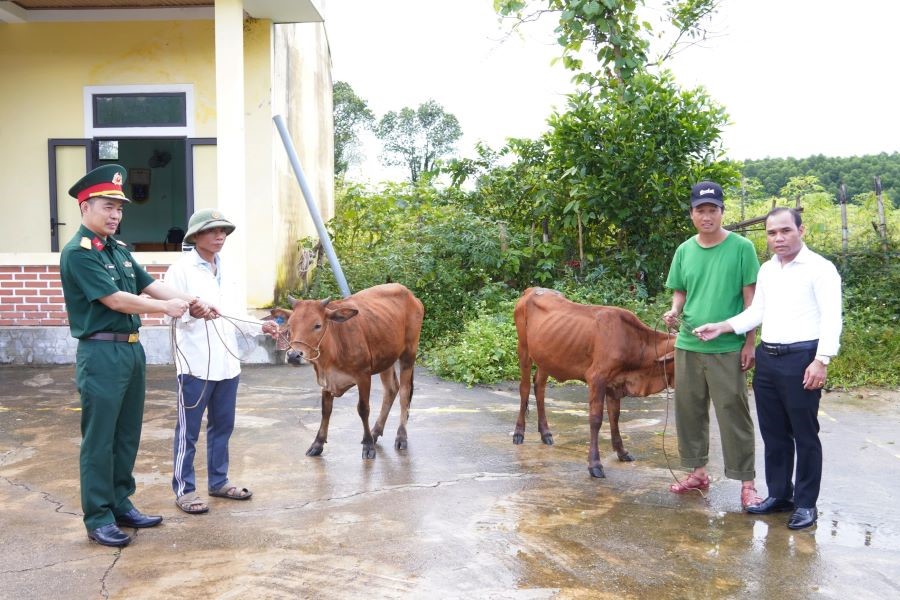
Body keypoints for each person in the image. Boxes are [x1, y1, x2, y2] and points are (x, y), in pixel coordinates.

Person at [60, 164, 216, 548]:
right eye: (106, 206)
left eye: (119, 208)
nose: (115, 215)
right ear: (85, 207)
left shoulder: (118, 250)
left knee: (127, 434)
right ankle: (97, 516)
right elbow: (115, 299)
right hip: (100, 353)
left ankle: (119, 503)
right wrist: (166, 309)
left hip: (130, 350)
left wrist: (190, 301)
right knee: (100, 439)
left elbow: (151, 286)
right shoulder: (79, 254)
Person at [693, 207, 842, 530]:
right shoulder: (768, 271)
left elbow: (832, 317)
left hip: (802, 358)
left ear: (801, 231)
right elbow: (756, 311)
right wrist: (722, 326)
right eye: (772, 233)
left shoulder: (820, 269)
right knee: (774, 434)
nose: (779, 238)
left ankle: (805, 504)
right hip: (769, 359)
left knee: (804, 435)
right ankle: (780, 495)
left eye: (786, 231)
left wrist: (822, 359)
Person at [164, 209, 279, 515]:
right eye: (213, 231)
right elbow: (172, 313)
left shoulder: (227, 269)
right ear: (196, 236)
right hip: (196, 364)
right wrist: (192, 313)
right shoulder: (181, 270)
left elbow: (236, 313)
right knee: (188, 431)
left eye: (223, 232)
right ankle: (184, 490)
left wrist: (261, 326)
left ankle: (218, 481)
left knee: (223, 427)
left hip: (227, 363)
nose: (219, 237)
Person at [662, 181, 762, 510]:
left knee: (734, 413)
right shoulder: (684, 250)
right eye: (700, 211)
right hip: (689, 344)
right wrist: (675, 311)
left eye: (713, 210)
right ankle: (697, 472)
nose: (707, 216)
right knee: (689, 411)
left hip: (727, 347)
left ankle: (747, 482)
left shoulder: (742, 248)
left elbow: (752, 301)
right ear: (691, 214)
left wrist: (750, 343)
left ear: (722, 212)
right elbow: (680, 291)